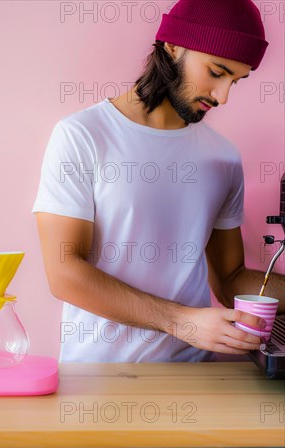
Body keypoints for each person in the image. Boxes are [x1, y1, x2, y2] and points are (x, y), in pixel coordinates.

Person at [32, 0, 285, 363]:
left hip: (195, 377)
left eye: (236, 81)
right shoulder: (82, 136)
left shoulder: (224, 156)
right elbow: (64, 272)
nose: (223, 96)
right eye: (216, 72)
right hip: (98, 378)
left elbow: (230, 279)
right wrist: (181, 322)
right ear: (172, 45)